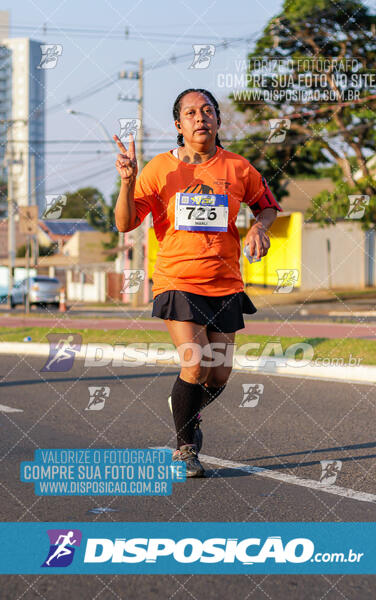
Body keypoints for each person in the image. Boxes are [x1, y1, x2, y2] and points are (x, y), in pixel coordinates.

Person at [114, 88, 282, 478]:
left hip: (225, 283)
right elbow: (124, 223)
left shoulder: (239, 168)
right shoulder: (159, 169)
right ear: (178, 125)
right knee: (195, 362)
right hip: (177, 279)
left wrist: (260, 226)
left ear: (219, 121)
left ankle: (187, 408)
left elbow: (268, 204)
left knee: (219, 373)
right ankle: (185, 448)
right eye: (190, 112)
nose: (200, 117)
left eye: (208, 111)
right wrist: (127, 181)